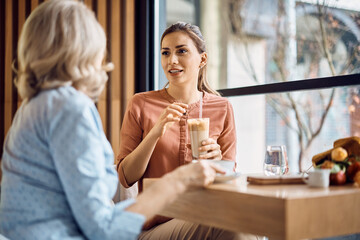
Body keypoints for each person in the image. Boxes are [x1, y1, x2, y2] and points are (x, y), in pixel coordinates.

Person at [0, 1, 227, 239]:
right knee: (227, 224)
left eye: (182, 51)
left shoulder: (34, 107)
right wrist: (175, 182)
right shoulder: (69, 109)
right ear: (85, 48)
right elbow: (103, 229)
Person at [117, 22, 240, 236]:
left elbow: (230, 178)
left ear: (202, 59)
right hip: (154, 226)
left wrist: (218, 162)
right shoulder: (141, 103)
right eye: (166, 53)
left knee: (243, 226)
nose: (171, 61)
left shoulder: (222, 107)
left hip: (204, 215)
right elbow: (125, 177)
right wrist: (156, 132)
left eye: (181, 51)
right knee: (229, 226)